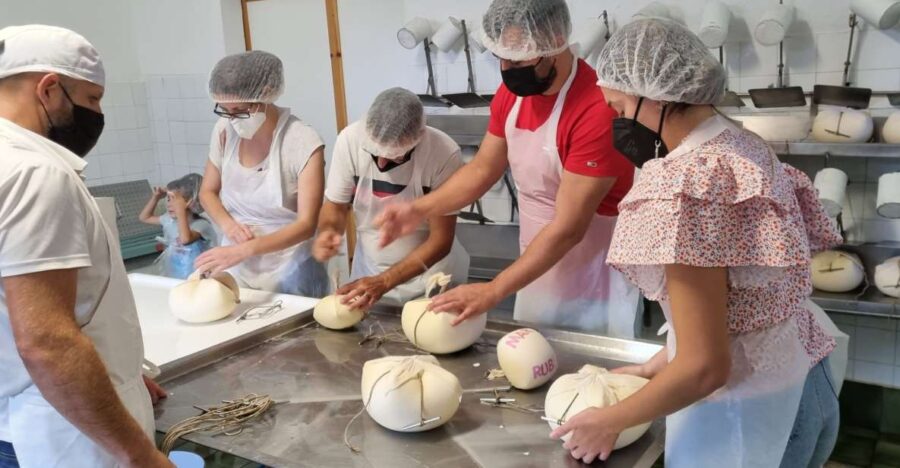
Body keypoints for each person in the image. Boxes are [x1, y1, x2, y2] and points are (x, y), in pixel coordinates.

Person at [550, 19, 842, 467]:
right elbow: (738, 305)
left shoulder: (682, 185)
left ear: (657, 96)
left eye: (619, 107)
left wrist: (610, 420)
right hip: (806, 382)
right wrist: (655, 366)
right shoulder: (742, 146)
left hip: (752, 416)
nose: (617, 122)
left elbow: (705, 367)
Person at [376, 0, 639, 336]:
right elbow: (483, 169)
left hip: (592, 277)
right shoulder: (511, 96)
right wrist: (419, 209)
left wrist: (494, 289)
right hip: (534, 266)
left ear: (555, 42)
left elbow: (569, 228)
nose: (507, 68)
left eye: (517, 59)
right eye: (500, 56)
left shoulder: (597, 108)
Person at [0, 25, 171, 467]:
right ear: (49, 90)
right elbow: (47, 342)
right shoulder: (35, 173)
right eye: (92, 99)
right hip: (64, 436)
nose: (97, 113)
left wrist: (116, 373)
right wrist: (141, 455)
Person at [312, 88, 469, 308]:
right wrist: (329, 229)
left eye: (394, 157)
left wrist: (385, 281)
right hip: (368, 272)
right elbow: (336, 205)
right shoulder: (350, 140)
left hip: (430, 278)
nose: (382, 164)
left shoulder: (443, 153)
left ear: (417, 139)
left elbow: (440, 240)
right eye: (375, 153)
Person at [197, 51, 329, 297]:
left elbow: (306, 224)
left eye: (240, 109)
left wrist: (246, 250)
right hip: (236, 261)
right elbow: (207, 192)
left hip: (290, 265)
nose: (232, 119)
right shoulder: (224, 130)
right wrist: (228, 225)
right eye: (225, 110)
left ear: (266, 94)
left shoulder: (302, 141)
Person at [139, 173, 218, 279]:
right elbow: (144, 217)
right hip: (176, 271)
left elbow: (185, 239)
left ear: (190, 203)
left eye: (174, 200)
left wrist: (180, 210)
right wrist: (156, 197)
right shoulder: (169, 220)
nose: (169, 204)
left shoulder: (201, 225)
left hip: (199, 275)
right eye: (168, 199)